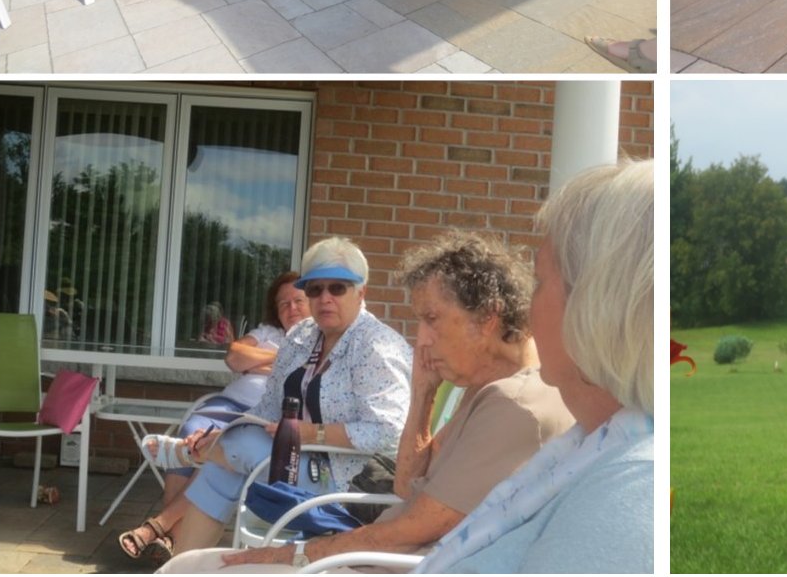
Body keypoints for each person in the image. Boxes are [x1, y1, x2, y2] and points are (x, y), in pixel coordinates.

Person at [161, 232, 577, 573]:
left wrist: (296, 554)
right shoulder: (482, 388)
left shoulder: (514, 405)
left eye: (430, 319)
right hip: (361, 541)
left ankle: (166, 511)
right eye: (315, 289)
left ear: (487, 317)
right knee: (200, 546)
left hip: (358, 526)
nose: (422, 339)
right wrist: (423, 392)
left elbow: (409, 528)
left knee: (216, 537)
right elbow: (407, 484)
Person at [414, 159, 654, 573]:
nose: (526, 308)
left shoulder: (631, 490)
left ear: (595, 305)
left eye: (540, 281)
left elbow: (419, 518)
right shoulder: (590, 445)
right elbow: (410, 486)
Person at [117, 239, 411, 564]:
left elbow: (389, 433)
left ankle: (190, 453)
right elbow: (268, 408)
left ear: (361, 292)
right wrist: (227, 433)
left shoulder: (375, 346)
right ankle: (182, 568)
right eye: (314, 289)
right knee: (224, 465)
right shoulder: (301, 338)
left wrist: (314, 434)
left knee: (239, 449)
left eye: (338, 288)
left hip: (352, 481)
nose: (325, 298)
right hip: (302, 462)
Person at [138, 273, 309, 515]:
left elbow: (303, 372)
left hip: (261, 418)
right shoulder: (269, 332)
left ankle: (165, 528)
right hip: (228, 404)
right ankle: (168, 533)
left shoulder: (320, 340)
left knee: (214, 447)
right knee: (191, 430)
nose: (291, 308)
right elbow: (234, 357)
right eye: (284, 303)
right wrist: (285, 359)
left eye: (298, 301)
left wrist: (256, 362)